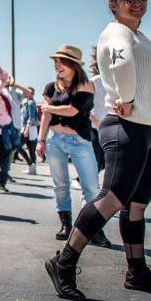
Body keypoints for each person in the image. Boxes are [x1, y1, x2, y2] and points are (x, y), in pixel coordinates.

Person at [46, 0, 151, 300]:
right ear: (113, 4)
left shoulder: (140, 36)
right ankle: (62, 262)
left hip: (148, 127)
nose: (137, 1)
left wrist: (144, 97)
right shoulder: (117, 33)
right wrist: (129, 97)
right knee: (111, 199)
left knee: (136, 206)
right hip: (125, 125)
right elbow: (122, 64)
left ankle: (137, 271)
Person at [36, 45, 110, 247]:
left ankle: (94, 230)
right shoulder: (51, 87)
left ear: (73, 65)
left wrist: (48, 106)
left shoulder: (85, 85)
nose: (57, 65)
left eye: (61, 62)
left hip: (80, 141)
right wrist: (41, 140)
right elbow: (46, 115)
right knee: (60, 185)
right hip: (55, 140)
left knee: (91, 187)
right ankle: (66, 226)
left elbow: (72, 110)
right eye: (55, 62)